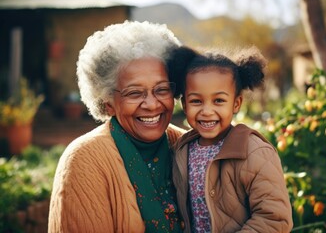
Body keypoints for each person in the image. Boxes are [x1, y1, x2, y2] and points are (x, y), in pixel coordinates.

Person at [48, 21, 187, 232]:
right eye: (134, 93)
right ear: (108, 103)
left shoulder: (190, 145)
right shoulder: (84, 160)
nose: (151, 104)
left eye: (161, 89)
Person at [167, 46, 293, 233]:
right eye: (196, 101)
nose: (207, 111)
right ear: (184, 104)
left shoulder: (254, 152)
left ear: (236, 103)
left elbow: (274, 218)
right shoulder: (182, 148)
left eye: (218, 101)